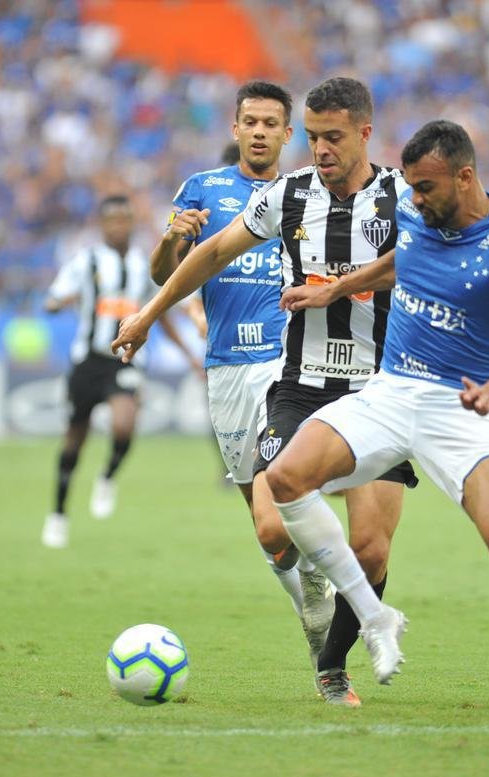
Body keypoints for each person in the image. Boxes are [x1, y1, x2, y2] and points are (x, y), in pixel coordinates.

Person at [114, 77, 417, 705]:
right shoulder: (283, 196)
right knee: (274, 522)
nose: (319, 148)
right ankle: (328, 605)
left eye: (329, 136)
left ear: (363, 133)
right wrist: (147, 313)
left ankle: (333, 665)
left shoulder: (400, 197)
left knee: (372, 548)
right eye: (312, 137)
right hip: (292, 377)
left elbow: (435, 252)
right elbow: (212, 253)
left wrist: (339, 289)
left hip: (382, 389)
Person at [266, 119, 489, 725]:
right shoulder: (415, 209)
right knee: (286, 478)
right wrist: (335, 290)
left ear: (465, 175)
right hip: (391, 389)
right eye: (411, 187)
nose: (415, 199)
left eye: (426, 188)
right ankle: (374, 616)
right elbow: (399, 262)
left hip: (463, 408)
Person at [149, 80, 337, 674]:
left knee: (271, 512)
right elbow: (163, 275)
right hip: (226, 367)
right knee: (270, 537)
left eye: (270, 123)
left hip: (289, 368)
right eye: (249, 121)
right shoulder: (202, 191)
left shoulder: (309, 193)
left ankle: (320, 599)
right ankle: (313, 602)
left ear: (288, 134)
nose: (258, 132)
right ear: (235, 129)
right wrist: (173, 238)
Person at [41, 194, 197, 549]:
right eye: (111, 221)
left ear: (130, 223)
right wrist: (55, 302)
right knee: (73, 442)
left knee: (125, 426)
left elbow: (160, 312)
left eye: (123, 220)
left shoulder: (145, 265)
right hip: (88, 361)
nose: (117, 227)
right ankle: (58, 514)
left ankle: (108, 475)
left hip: (125, 359)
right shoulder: (87, 261)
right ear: (101, 225)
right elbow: (55, 296)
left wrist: (188, 353)